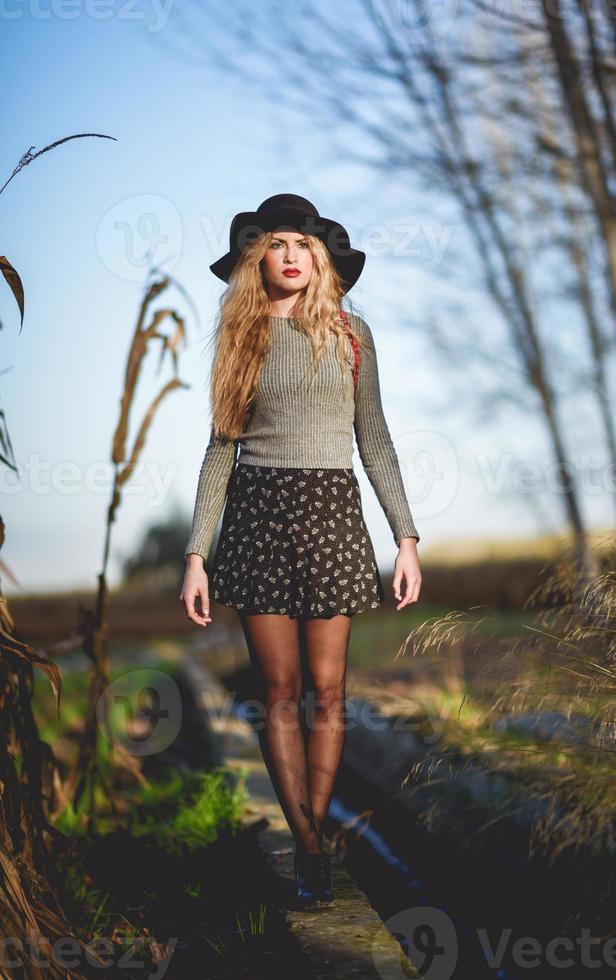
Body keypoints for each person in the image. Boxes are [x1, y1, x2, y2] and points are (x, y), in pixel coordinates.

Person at [180, 194, 421, 909]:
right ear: (259, 258)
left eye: (303, 245)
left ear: (321, 258)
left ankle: (312, 830)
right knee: (278, 691)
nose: (290, 255)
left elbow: (374, 437)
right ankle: (311, 847)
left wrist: (405, 537)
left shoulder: (352, 334)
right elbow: (219, 451)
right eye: (276, 244)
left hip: (332, 514)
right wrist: (198, 553)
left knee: (329, 690)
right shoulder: (242, 338)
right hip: (256, 518)